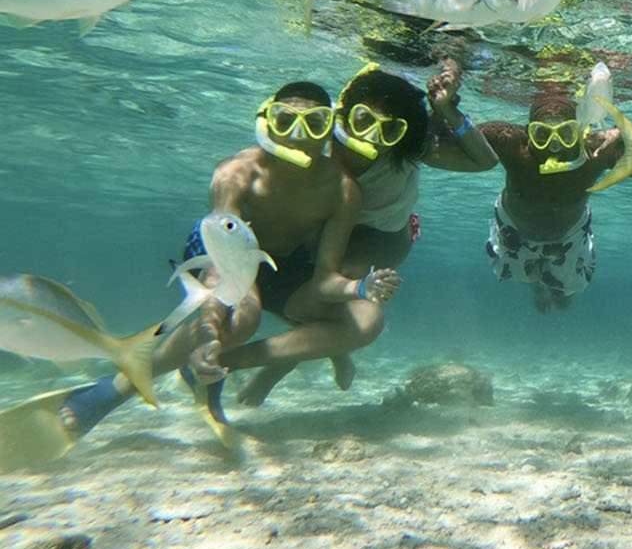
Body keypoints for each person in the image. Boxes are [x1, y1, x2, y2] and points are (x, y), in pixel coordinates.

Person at [33, 80, 367, 450]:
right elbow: (221, 266)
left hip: (283, 266)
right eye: (285, 120)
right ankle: (115, 389)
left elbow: (325, 272)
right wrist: (211, 331)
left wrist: (359, 290)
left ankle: (210, 367)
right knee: (238, 320)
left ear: (329, 130)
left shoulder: (342, 189)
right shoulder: (236, 174)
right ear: (266, 124)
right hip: (226, 257)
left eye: (315, 123)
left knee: (359, 319)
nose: (298, 135)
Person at [229, 59, 497, 406]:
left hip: (381, 238)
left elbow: (485, 161)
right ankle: (335, 350)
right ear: (344, 115)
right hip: (326, 231)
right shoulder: (318, 135)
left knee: (321, 299)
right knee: (306, 303)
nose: (371, 135)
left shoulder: (404, 148)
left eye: (387, 129)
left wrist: (447, 111)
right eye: (362, 120)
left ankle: (269, 367)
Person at [479, 89, 632, 313]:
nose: (554, 146)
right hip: (514, 230)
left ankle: (546, 284)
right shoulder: (510, 142)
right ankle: (535, 284)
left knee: (563, 299)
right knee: (524, 276)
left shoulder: (598, 150)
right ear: (528, 133)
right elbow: (456, 138)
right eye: (542, 135)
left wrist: (629, 135)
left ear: (580, 131)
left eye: (566, 133)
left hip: (569, 235)